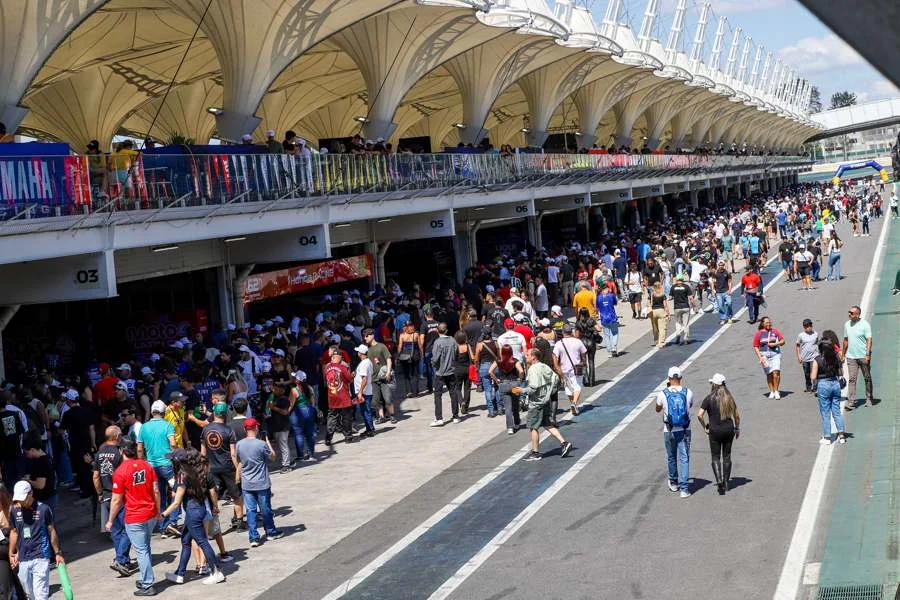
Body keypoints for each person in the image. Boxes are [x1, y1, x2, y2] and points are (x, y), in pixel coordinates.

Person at [161, 449, 225, 586]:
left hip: (192, 513)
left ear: (177, 462)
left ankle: (216, 572)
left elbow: (176, 501)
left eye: (172, 460)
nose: (170, 462)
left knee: (202, 542)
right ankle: (179, 573)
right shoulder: (196, 471)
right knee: (185, 541)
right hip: (199, 510)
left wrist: (163, 515)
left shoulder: (182, 476)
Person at [107, 438, 161, 596]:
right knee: (145, 547)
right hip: (150, 513)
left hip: (134, 516)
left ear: (122, 451)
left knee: (141, 550)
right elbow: (156, 490)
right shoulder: (146, 465)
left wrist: (110, 520)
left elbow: (116, 500)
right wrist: (158, 511)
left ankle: (147, 583)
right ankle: (146, 577)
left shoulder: (120, 471)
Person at [8, 480, 64, 600]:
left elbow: (51, 531)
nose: (21, 502)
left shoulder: (44, 509)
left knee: (40, 594)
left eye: (23, 499)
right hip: (23, 557)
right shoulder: (14, 510)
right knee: (28, 593)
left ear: (31, 494)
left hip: (41, 556)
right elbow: (13, 531)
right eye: (19, 499)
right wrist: (11, 552)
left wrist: (57, 553)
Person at [519, 349, 573, 461]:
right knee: (547, 424)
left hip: (536, 403)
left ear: (533, 357)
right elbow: (555, 377)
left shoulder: (533, 369)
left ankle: (535, 452)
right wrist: (549, 392)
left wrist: (522, 391)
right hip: (545, 400)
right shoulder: (544, 366)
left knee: (533, 427)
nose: (526, 356)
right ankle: (564, 443)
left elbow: (533, 387)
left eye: (528, 355)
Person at [235, 418, 282, 547]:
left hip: (247, 483)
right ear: (256, 428)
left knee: (250, 511)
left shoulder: (239, 444)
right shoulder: (261, 444)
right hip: (262, 482)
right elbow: (272, 457)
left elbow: (238, 459)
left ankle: (253, 537)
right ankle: (270, 532)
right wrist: (267, 442)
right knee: (265, 509)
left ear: (245, 429)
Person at [200, 399, 245, 531]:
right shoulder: (228, 429)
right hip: (228, 467)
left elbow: (202, 453)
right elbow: (233, 453)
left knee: (212, 496)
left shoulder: (205, 429)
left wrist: (202, 470)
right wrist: (238, 469)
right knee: (236, 496)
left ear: (214, 413)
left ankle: (213, 527)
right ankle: (240, 523)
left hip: (211, 468)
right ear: (225, 414)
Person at [93, 426, 133, 576]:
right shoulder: (119, 452)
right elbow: (126, 473)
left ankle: (123, 560)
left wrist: (99, 493)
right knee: (128, 528)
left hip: (107, 495)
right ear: (116, 436)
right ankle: (121, 559)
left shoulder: (99, 453)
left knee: (116, 530)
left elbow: (96, 476)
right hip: (121, 494)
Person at [137, 400, 179, 537]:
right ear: (163, 412)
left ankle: (162, 526)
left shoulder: (144, 427)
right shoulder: (167, 426)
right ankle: (172, 521)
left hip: (151, 467)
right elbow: (173, 444)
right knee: (177, 490)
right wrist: (176, 457)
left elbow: (139, 449)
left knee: (158, 495)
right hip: (167, 465)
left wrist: (143, 462)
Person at [697, 374, 740, 495]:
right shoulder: (729, 398)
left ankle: (719, 480)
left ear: (714, 385)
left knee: (715, 456)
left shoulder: (709, 398)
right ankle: (726, 483)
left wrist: (705, 426)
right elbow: (737, 415)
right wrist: (737, 429)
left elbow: (699, 415)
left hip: (715, 431)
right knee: (727, 456)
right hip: (728, 430)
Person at [655, 366, 694, 498]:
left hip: (669, 429)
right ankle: (684, 489)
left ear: (669, 378)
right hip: (684, 429)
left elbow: (657, 409)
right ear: (680, 378)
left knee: (671, 456)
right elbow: (690, 405)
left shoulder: (662, 393)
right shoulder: (688, 392)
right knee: (684, 458)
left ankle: (673, 482)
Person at [811, 341, 847, 445]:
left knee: (825, 412)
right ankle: (842, 436)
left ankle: (827, 437)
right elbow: (841, 372)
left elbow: (813, 376)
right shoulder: (836, 358)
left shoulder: (817, 360)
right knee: (836, 410)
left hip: (823, 385)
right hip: (835, 384)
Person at [323, 346, 356, 445]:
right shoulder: (342, 367)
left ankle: (328, 438)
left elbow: (326, 379)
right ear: (338, 357)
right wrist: (352, 375)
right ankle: (348, 437)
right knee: (346, 417)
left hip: (332, 396)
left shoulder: (327, 367)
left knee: (332, 417)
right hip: (343, 396)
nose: (341, 359)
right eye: (340, 357)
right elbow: (349, 379)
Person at [842, 305, 873, 408]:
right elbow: (846, 340)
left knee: (867, 377)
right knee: (852, 379)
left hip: (863, 356)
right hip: (851, 356)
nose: (849, 314)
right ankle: (851, 402)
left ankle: (869, 398)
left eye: (851, 313)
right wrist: (843, 354)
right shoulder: (847, 324)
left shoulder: (865, 325)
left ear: (857, 314)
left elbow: (869, 340)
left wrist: (867, 354)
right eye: (849, 312)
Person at [489, 345, 524, 435]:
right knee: (515, 405)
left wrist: (496, 380)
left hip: (503, 384)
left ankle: (510, 428)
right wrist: (520, 379)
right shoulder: (514, 361)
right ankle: (517, 422)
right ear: (511, 351)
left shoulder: (498, 360)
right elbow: (521, 371)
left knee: (507, 408)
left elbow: (490, 371)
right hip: (514, 384)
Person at [430, 323, 460, 426]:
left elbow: (435, 358)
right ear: (446, 330)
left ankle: (439, 418)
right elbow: (457, 354)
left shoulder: (437, 342)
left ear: (438, 331)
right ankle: (455, 416)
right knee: (453, 393)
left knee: (437, 395)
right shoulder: (453, 340)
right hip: (451, 371)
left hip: (440, 372)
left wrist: (433, 365)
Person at [553, 325, 587, 416]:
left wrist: (557, 368)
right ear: (571, 331)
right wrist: (584, 362)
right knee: (577, 386)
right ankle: (574, 403)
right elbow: (584, 353)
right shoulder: (578, 341)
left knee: (568, 388)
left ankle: (573, 404)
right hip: (576, 368)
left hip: (564, 369)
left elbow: (555, 357)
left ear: (563, 332)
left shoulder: (558, 344)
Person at [752, 317, 786, 399]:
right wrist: (760, 357)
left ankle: (776, 391)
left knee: (776, 372)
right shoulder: (759, 333)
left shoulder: (774, 331)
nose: (769, 324)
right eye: (766, 322)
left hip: (775, 354)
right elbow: (756, 346)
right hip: (764, 356)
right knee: (769, 374)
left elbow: (783, 341)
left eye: (769, 322)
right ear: (762, 324)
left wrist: (775, 344)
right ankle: (772, 391)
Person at [474, 331, 501, 418]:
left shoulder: (480, 345)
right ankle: (500, 408)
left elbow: (476, 358)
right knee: (497, 386)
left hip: (484, 366)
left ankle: (491, 411)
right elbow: (499, 356)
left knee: (487, 389)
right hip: (495, 366)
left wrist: (476, 367)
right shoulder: (496, 343)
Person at [353, 344, 375, 438]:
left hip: (364, 392)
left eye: (358, 351)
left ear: (360, 353)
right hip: (366, 391)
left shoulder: (364, 363)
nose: (357, 353)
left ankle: (370, 429)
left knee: (366, 411)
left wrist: (360, 392)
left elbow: (364, 379)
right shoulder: (366, 362)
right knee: (365, 411)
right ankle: (369, 428)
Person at [795, 319, 820, 393]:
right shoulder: (801, 335)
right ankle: (808, 387)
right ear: (804, 327)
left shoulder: (815, 334)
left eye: (810, 325)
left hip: (814, 357)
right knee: (807, 373)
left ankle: (815, 388)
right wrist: (799, 356)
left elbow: (818, 344)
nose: (809, 327)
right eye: (807, 326)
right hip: (805, 358)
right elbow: (797, 345)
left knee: (814, 373)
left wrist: (819, 354)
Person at [669, 273, 694, 345]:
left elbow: (670, 297)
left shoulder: (673, 287)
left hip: (677, 307)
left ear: (676, 280)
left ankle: (678, 333)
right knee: (686, 323)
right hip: (685, 307)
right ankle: (686, 338)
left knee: (678, 322)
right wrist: (694, 306)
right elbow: (691, 298)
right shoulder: (686, 287)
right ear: (683, 280)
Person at [595, 286, 618, 358]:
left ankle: (609, 352)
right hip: (612, 317)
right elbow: (615, 303)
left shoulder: (598, 297)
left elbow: (597, 307)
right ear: (606, 289)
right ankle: (614, 346)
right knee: (615, 333)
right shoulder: (611, 295)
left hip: (604, 318)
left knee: (606, 335)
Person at [648, 281, 670, 348]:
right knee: (662, 327)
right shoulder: (663, 295)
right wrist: (668, 313)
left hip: (653, 311)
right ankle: (661, 342)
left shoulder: (652, 294)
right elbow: (665, 305)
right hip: (661, 311)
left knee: (655, 327)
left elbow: (649, 303)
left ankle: (656, 340)